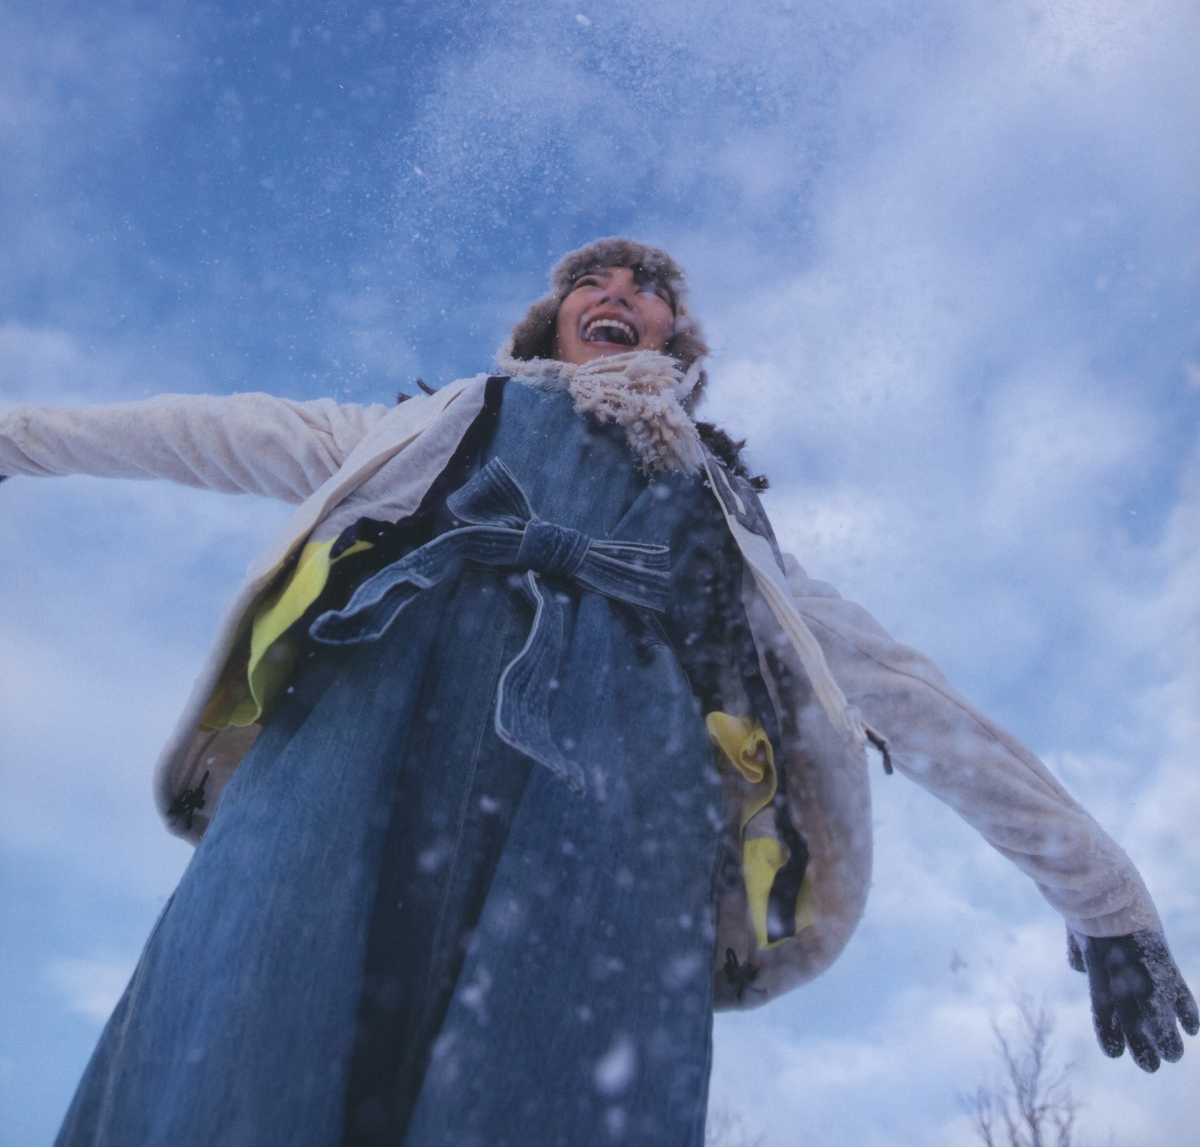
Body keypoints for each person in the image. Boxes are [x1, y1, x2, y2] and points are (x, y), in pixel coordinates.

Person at [2, 237, 1195, 1147]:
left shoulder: (730, 525)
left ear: (677, 338)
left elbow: (908, 695)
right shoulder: (433, 426)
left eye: (647, 283)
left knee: (551, 1082)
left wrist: (1104, 893)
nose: (617, 287)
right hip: (351, 767)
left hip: (611, 823)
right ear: (555, 320)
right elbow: (206, 432)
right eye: (594, 277)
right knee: (250, 1036)